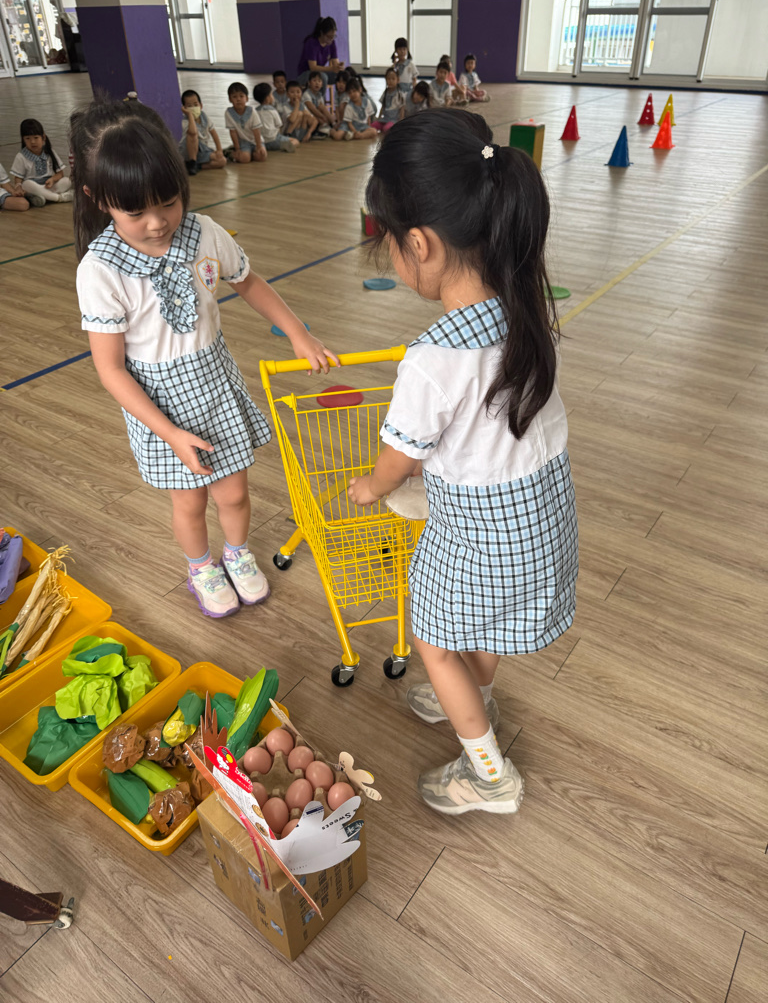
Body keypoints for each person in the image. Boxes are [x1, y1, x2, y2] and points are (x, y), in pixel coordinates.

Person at [348, 110, 578, 815]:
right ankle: (477, 699)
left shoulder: (433, 359)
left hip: (482, 538)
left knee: (433, 639)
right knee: (482, 623)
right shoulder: (523, 310)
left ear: (418, 243)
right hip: (542, 522)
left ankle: (488, 775)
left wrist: (371, 486)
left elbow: (399, 458)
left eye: (388, 239)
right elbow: (484, 429)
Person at [71, 96, 338, 619]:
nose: (157, 222)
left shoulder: (204, 233)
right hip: (158, 407)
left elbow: (248, 282)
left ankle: (237, 554)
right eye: (136, 212)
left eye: (169, 202)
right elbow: (110, 369)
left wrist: (298, 334)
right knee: (189, 501)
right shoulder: (100, 270)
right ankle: (201, 567)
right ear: (96, 197)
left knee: (234, 494)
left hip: (214, 386)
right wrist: (169, 433)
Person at [9, 119, 73, 206]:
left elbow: (60, 174)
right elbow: (18, 178)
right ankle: (59, 198)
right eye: (27, 138)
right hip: (34, 186)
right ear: (23, 140)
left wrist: (52, 179)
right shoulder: (21, 156)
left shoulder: (50, 152)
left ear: (43, 137)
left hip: (49, 185)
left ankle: (43, 197)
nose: (32, 142)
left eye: (36, 138)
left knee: (67, 181)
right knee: (26, 184)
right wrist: (18, 187)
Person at [179, 90, 226, 174]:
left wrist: (219, 150)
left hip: (202, 150)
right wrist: (190, 115)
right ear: (184, 108)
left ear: (201, 105)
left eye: (195, 105)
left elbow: (214, 133)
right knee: (193, 136)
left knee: (222, 161)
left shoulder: (204, 117)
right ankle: (192, 162)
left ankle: (196, 166)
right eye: (189, 106)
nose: (193, 108)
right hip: (188, 152)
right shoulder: (186, 121)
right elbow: (193, 133)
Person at [297, 17, 343, 92]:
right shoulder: (311, 43)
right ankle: (320, 99)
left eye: (333, 36)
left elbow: (335, 63)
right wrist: (332, 68)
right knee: (322, 78)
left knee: (342, 76)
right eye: (329, 37)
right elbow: (313, 68)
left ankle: (343, 98)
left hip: (320, 72)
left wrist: (339, 67)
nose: (331, 39)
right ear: (322, 33)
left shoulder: (332, 43)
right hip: (306, 74)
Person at [224, 82, 267, 163]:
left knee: (261, 157)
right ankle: (229, 153)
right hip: (243, 142)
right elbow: (233, 132)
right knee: (245, 159)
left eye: (241, 96)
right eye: (234, 97)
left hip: (256, 141)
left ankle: (249, 154)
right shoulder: (228, 113)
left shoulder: (252, 111)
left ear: (246, 98)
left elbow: (256, 130)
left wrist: (259, 146)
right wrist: (237, 149)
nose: (238, 99)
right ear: (230, 99)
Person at [252, 83, 300, 152]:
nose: (273, 96)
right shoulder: (272, 110)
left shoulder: (255, 111)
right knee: (296, 141)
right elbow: (279, 125)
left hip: (261, 141)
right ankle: (286, 146)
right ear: (268, 98)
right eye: (271, 94)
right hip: (274, 140)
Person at [372, 68, 406, 132]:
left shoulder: (400, 94)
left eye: (393, 79)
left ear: (398, 80)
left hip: (394, 120)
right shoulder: (385, 92)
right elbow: (383, 106)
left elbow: (402, 109)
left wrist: (401, 122)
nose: (390, 81)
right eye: (388, 79)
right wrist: (379, 117)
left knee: (386, 128)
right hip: (384, 119)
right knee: (373, 125)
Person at [301, 71, 334, 136]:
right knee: (317, 111)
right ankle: (322, 127)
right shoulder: (306, 94)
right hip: (308, 117)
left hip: (317, 116)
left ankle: (333, 124)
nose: (317, 83)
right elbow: (311, 108)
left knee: (321, 107)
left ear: (322, 84)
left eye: (319, 81)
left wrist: (326, 116)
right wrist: (323, 117)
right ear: (309, 83)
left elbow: (322, 108)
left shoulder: (319, 95)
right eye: (314, 80)